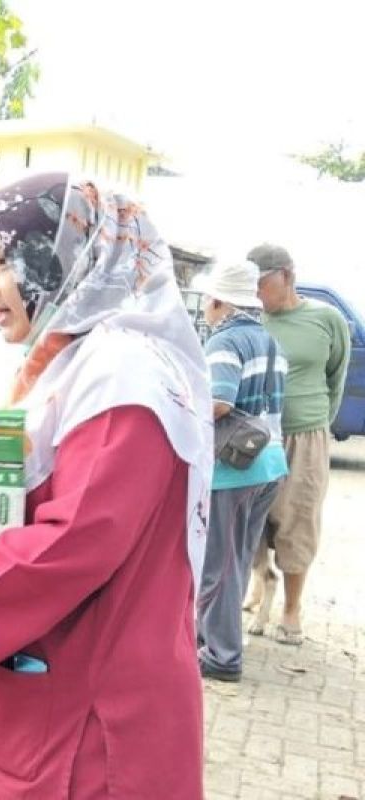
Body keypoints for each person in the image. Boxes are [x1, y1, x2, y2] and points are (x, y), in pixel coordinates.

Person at [0, 173, 211, 798]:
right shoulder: (76, 358)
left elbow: (74, 539)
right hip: (64, 684)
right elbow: (31, 491)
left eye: (2, 262)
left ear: (64, 258)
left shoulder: (122, 372)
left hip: (93, 713)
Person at [249, 243, 351, 644]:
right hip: (257, 434)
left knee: (298, 519)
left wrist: (317, 425)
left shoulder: (327, 319)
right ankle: (259, 588)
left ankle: (291, 609)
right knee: (254, 519)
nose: (257, 293)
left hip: (306, 434)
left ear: (286, 277)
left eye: (262, 284)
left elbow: (335, 378)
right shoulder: (253, 321)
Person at [192, 260, 288, 682]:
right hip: (270, 462)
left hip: (234, 468)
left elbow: (219, 400)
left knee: (220, 563)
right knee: (240, 556)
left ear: (218, 300)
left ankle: (222, 654)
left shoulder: (224, 342)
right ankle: (212, 636)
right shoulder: (270, 342)